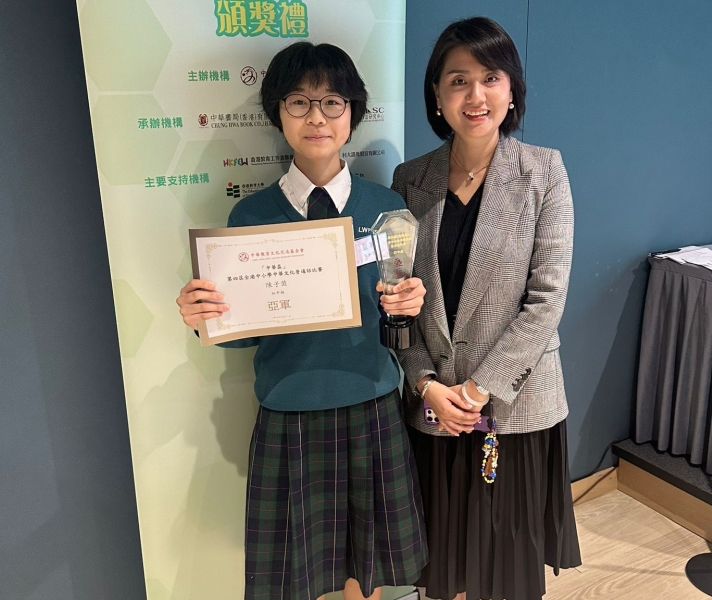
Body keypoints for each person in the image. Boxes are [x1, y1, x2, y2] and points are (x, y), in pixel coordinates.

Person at [176, 42, 428, 600]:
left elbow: (397, 324)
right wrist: (204, 318)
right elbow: (239, 337)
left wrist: (408, 306)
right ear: (278, 113)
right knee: (299, 572)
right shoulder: (250, 215)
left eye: (333, 101)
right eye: (299, 101)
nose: (317, 117)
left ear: (353, 112)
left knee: (368, 566)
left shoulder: (386, 206)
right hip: (289, 407)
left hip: (371, 401)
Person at [391, 17, 582, 600]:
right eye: (458, 80)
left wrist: (477, 392)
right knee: (444, 560)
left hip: (511, 407)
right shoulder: (410, 179)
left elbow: (546, 301)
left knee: (504, 566)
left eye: (490, 78)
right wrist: (425, 383)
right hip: (435, 405)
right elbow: (398, 304)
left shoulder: (544, 171)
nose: (475, 95)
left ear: (512, 89)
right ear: (436, 94)